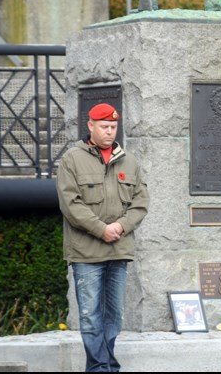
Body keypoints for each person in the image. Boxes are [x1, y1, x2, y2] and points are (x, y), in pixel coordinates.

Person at [56, 103, 149, 372]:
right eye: (104, 127)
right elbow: (70, 204)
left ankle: (103, 367)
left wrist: (120, 226)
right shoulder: (72, 159)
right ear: (90, 126)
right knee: (90, 316)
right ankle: (102, 368)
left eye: (113, 127)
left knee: (114, 316)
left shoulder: (129, 161)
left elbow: (141, 202)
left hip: (118, 250)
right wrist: (101, 229)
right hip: (86, 252)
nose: (110, 132)